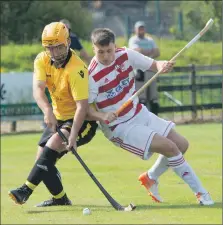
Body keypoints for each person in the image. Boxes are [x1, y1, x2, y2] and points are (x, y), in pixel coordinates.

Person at [86, 28, 214, 205]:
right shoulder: (91, 75)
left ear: (115, 46)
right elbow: (86, 110)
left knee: (182, 144)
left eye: (109, 50)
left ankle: (150, 177)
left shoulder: (125, 55)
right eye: (101, 52)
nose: (107, 56)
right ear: (94, 49)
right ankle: (202, 193)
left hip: (138, 111)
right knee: (170, 148)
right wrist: (102, 116)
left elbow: (154, 65)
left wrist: (162, 66)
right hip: (119, 127)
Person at [8, 22, 97, 207]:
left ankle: (25, 190)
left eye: (59, 47)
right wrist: (47, 110)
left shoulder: (77, 69)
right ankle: (60, 198)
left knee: (52, 146)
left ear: (68, 43)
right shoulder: (42, 60)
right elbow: (38, 90)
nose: (55, 53)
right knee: (41, 159)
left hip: (83, 121)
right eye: (50, 48)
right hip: (59, 117)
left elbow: (82, 107)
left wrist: (72, 137)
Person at [128, 21, 160, 115]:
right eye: (139, 28)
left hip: (151, 70)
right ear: (135, 30)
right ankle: (142, 117)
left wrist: (143, 52)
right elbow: (136, 52)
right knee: (142, 97)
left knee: (153, 97)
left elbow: (157, 52)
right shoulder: (133, 40)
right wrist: (150, 52)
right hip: (140, 72)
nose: (141, 30)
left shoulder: (150, 40)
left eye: (142, 28)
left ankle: (155, 118)